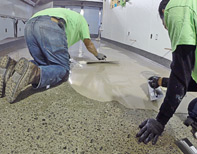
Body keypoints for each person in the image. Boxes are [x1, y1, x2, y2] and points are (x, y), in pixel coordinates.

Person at [0, 8, 107, 103]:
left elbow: (58, 47)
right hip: (50, 24)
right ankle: (33, 74)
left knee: (43, 63)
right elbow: (89, 44)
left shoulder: (70, 18)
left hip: (29, 25)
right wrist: (97, 54)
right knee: (63, 68)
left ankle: (11, 68)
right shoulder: (83, 22)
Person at [136, 0, 197, 145]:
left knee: (194, 110)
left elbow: (181, 76)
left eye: (165, 25)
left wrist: (160, 121)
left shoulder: (177, 7)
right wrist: (161, 81)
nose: (167, 28)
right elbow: (190, 80)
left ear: (164, 12)